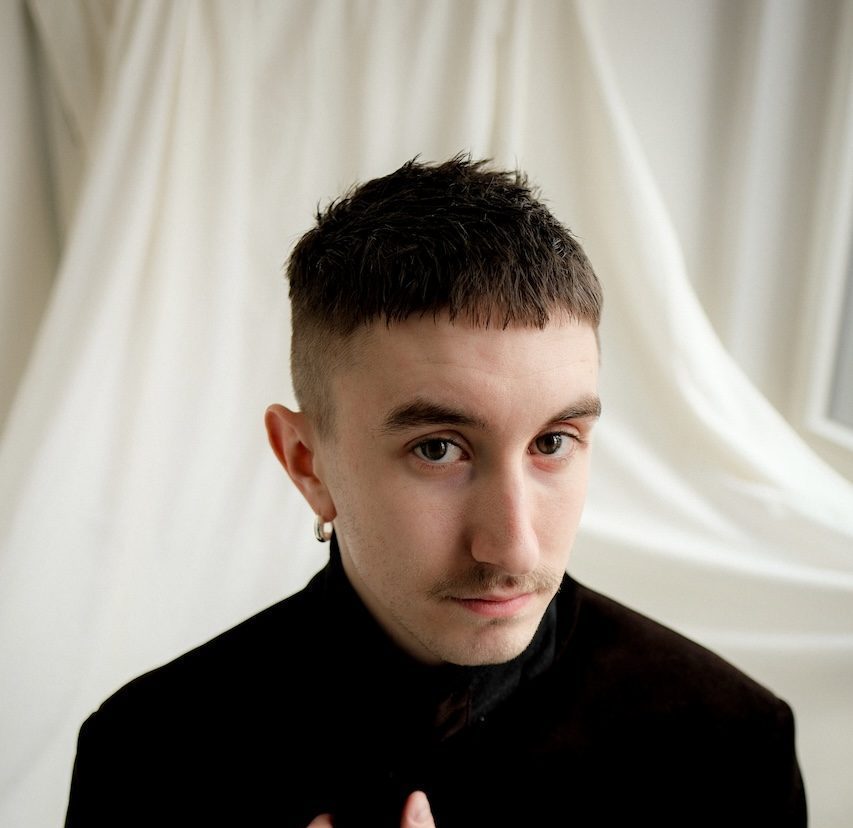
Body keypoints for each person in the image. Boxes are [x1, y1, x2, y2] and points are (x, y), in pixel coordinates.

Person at [64, 155, 806, 827]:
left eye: (552, 442)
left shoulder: (729, 746)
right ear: (307, 463)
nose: (513, 548)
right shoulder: (147, 756)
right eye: (438, 449)